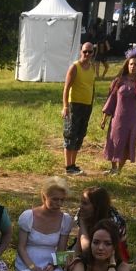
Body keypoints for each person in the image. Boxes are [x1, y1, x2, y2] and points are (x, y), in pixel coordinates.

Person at [9, 179, 74, 271]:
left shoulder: (65, 220)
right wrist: (33, 267)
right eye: (55, 199)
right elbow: (21, 247)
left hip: (49, 263)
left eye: (62, 200)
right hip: (27, 262)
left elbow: (61, 251)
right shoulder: (28, 216)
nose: (59, 203)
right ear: (44, 197)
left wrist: (53, 266)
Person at [100, 53, 136, 175]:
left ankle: (119, 170)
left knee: (127, 142)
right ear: (127, 64)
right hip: (118, 117)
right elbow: (111, 99)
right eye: (131, 64)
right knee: (114, 141)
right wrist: (104, 118)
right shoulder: (119, 81)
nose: (133, 66)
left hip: (132, 119)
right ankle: (113, 167)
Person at [60, 41, 97, 175]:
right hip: (74, 105)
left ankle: (73, 165)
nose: (87, 54)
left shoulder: (93, 68)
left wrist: (91, 104)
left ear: (93, 53)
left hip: (87, 106)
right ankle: (68, 167)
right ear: (81, 51)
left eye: (90, 52)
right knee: (70, 134)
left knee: (80, 135)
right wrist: (65, 106)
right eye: (85, 51)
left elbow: (92, 87)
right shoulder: (75, 67)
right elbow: (66, 88)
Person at [73, 186, 130, 262]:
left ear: (97, 206)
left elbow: (88, 250)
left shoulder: (111, 222)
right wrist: (74, 258)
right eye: (81, 202)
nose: (81, 206)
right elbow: (79, 244)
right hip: (91, 247)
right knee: (61, 259)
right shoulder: (84, 213)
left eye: (85, 203)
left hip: (110, 257)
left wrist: (83, 223)